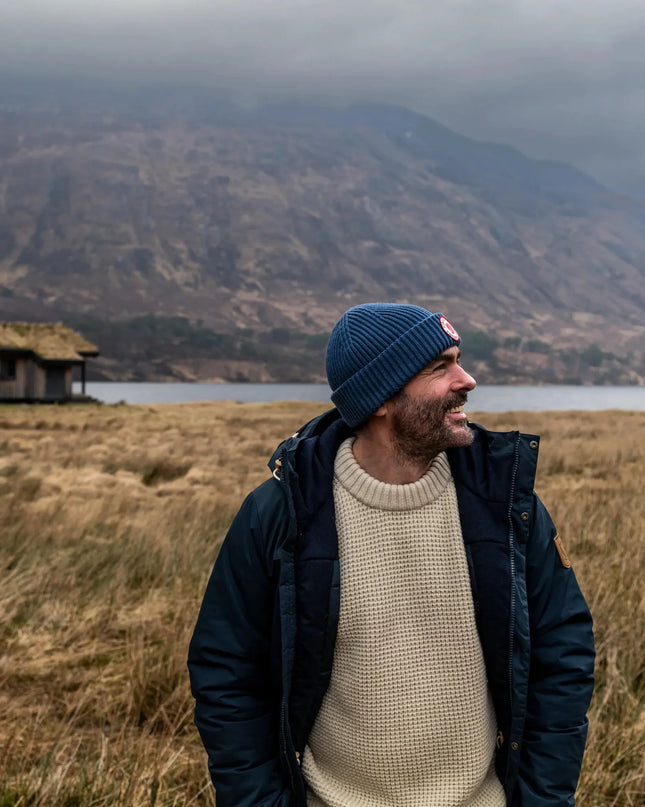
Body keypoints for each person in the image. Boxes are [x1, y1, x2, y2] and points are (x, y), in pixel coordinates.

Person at [188, 303, 595, 807]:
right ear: (379, 397)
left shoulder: (505, 504)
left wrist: (542, 799)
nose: (466, 380)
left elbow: (564, 654)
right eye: (439, 366)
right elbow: (227, 673)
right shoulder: (280, 514)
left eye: (459, 360)